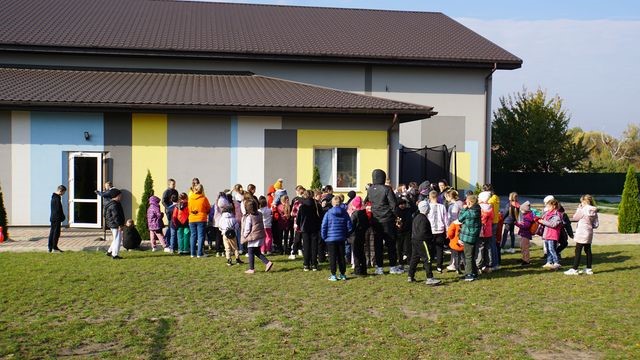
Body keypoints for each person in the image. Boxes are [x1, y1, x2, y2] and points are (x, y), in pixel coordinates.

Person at [366, 169, 401, 275]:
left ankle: (379, 267)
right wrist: (397, 216)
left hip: (375, 220)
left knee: (378, 244)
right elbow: (393, 205)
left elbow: (366, 202)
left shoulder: (370, 189)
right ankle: (393, 266)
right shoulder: (387, 189)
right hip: (387, 219)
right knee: (391, 243)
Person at [407, 200, 441, 285]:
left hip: (414, 240)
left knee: (414, 258)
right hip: (422, 241)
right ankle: (430, 277)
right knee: (427, 258)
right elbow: (423, 232)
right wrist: (430, 238)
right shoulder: (423, 219)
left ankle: (410, 276)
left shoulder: (416, 217)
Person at [321, 196, 353, 281]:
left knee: (332, 257)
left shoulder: (328, 213)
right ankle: (342, 274)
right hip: (341, 238)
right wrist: (346, 235)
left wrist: (324, 237)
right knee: (341, 256)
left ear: (332, 203)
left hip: (330, 239)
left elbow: (324, 226)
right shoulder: (345, 213)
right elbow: (349, 226)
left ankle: (333, 274)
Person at [565, 195, 599, 275]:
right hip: (589, 231)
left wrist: (579, 209)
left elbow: (575, 218)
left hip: (581, 231)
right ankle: (589, 268)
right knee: (588, 250)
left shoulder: (583, 209)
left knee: (578, 250)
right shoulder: (594, 210)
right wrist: (590, 225)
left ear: (583, 201)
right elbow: (596, 224)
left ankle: (574, 268)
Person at [241, 199, 273, 274]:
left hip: (253, 237)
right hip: (260, 235)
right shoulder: (260, 213)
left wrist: (245, 236)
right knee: (257, 252)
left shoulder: (250, 217)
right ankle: (267, 263)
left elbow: (247, 228)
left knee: (251, 252)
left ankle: (251, 269)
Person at [297, 190, 322, 271]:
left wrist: (299, 225)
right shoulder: (317, 205)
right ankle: (314, 264)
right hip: (315, 228)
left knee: (306, 246)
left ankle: (306, 264)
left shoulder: (302, 207)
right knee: (314, 246)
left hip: (305, 228)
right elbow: (321, 217)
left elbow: (298, 219)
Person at [458, 194, 481, 281]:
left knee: (468, 256)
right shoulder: (477, 209)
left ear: (470, 202)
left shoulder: (469, 212)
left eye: (467, 201)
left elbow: (460, 218)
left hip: (468, 237)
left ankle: (469, 275)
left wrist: (464, 208)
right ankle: (474, 273)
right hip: (474, 236)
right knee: (472, 255)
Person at [537, 199, 563, 270]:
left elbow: (553, 224)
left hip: (553, 234)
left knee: (552, 249)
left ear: (554, 206)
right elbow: (543, 219)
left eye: (549, 206)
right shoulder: (547, 213)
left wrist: (543, 221)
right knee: (548, 249)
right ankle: (549, 262)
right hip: (547, 234)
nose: (547, 208)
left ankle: (556, 262)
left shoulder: (557, 214)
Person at [427, 190, 448, 273]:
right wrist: (447, 229)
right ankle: (439, 266)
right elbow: (445, 219)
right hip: (440, 230)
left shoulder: (428, 206)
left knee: (430, 248)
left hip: (431, 230)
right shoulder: (442, 206)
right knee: (439, 249)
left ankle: (429, 265)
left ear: (429, 197)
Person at [188, 184, 211, 258]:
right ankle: (200, 253)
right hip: (201, 218)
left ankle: (192, 253)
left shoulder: (190, 198)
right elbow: (208, 209)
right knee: (201, 236)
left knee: (193, 236)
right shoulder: (204, 198)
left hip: (192, 219)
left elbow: (189, 209)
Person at [349, 196, 369, 276]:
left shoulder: (355, 214)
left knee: (356, 254)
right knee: (362, 253)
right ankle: (364, 269)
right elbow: (367, 224)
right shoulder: (364, 213)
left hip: (355, 236)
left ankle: (357, 270)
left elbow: (351, 226)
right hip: (362, 235)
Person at [477, 191, 495, 273]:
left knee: (480, 248)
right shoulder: (490, 207)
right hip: (489, 231)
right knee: (488, 248)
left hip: (481, 231)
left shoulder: (480, 208)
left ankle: (479, 265)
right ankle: (488, 265)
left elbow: (480, 219)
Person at [104, 189, 125, 260]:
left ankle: (109, 251)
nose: (121, 197)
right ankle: (115, 254)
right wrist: (119, 225)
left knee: (116, 238)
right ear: (117, 196)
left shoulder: (113, 203)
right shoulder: (114, 205)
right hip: (115, 224)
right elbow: (116, 216)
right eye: (120, 195)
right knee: (117, 239)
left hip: (113, 224)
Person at [395, 198, 413, 271]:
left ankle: (409, 262)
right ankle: (400, 262)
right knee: (399, 248)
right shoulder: (396, 211)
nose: (403, 205)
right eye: (401, 204)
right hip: (399, 232)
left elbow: (414, 208)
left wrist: (409, 200)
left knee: (408, 248)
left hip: (407, 231)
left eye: (404, 204)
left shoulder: (408, 210)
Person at [514, 201, 535, 266]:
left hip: (526, 234)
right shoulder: (526, 215)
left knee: (525, 248)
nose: (521, 211)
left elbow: (526, 226)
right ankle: (524, 258)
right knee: (523, 247)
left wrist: (517, 224)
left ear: (525, 210)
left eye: (522, 210)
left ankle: (526, 260)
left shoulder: (528, 216)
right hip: (524, 234)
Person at [48, 185, 67, 253]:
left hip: (53, 218)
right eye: (63, 192)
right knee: (56, 233)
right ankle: (54, 248)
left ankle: (50, 247)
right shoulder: (56, 199)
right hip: (56, 218)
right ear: (60, 191)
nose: (63, 194)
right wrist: (62, 217)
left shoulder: (54, 197)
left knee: (52, 232)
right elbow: (58, 210)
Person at [162, 179, 178, 248]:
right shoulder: (166, 192)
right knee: (171, 226)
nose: (174, 185)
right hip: (169, 211)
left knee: (174, 226)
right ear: (169, 185)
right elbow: (163, 201)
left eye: (174, 184)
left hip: (175, 210)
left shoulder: (175, 191)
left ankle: (174, 242)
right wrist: (169, 208)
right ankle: (167, 241)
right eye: (173, 184)